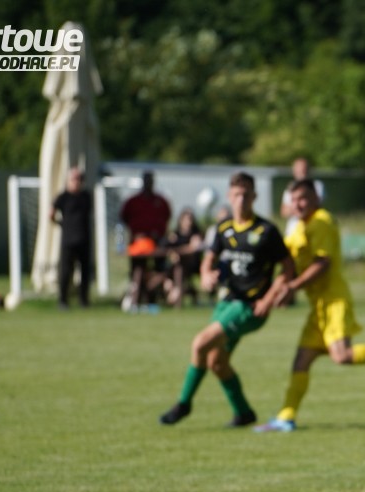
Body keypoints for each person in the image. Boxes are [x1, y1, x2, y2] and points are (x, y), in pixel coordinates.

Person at [254, 178, 365, 432]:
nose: (298, 204)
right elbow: (288, 267)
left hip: (333, 300)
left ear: (316, 198)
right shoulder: (299, 227)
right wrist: (269, 296)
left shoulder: (321, 221)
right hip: (318, 306)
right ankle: (286, 417)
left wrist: (292, 287)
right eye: (294, 200)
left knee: (341, 355)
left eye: (303, 198)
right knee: (301, 360)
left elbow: (322, 263)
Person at [159, 172, 295, 428]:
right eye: (236, 194)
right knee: (217, 362)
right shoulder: (223, 229)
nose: (241, 199)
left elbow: (288, 269)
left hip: (249, 307)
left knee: (200, 344)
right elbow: (209, 260)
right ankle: (244, 413)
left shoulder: (266, 231)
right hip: (226, 303)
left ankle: (183, 404)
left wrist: (269, 299)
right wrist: (206, 275)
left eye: (246, 194)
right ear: (229, 197)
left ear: (254, 196)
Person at [120, 170, 172, 309]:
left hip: (157, 243)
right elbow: (124, 217)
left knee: (160, 270)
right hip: (139, 244)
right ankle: (136, 298)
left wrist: (158, 232)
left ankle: (153, 297)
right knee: (138, 270)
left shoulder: (160, 201)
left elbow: (167, 217)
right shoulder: (133, 201)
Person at [49, 166, 93, 309]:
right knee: (66, 271)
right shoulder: (63, 197)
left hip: (84, 239)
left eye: (79, 179)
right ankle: (63, 300)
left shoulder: (86, 196)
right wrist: (60, 223)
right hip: (68, 240)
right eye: (74, 179)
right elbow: (51, 213)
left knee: (85, 271)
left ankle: (83, 300)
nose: (77, 181)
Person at [161, 208, 205, 307]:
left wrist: (178, 251)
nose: (188, 222)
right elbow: (166, 247)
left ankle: (176, 290)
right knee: (172, 269)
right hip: (175, 265)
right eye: (186, 219)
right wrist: (172, 250)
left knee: (179, 268)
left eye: (190, 219)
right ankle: (172, 287)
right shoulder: (176, 234)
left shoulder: (196, 234)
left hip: (192, 265)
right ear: (181, 220)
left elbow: (193, 248)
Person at [279, 157, 325, 237]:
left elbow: (315, 206)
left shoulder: (317, 185)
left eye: (301, 198)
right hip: (293, 232)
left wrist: (293, 209)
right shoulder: (290, 188)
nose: (296, 205)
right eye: (293, 200)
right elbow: (284, 212)